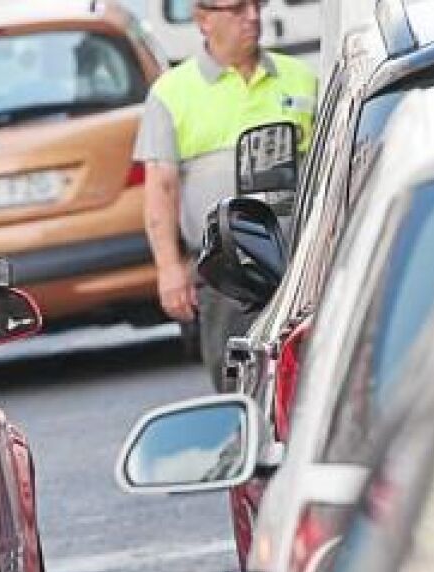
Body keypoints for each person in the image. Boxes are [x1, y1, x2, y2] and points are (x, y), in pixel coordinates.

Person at [133, 0, 316, 389]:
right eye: (237, 9)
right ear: (203, 20)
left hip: (301, 262)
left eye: (255, 5)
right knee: (237, 379)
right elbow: (161, 189)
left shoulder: (300, 78)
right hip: (226, 272)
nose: (252, 17)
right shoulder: (172, 93)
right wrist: (169, 268)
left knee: (309, 375)